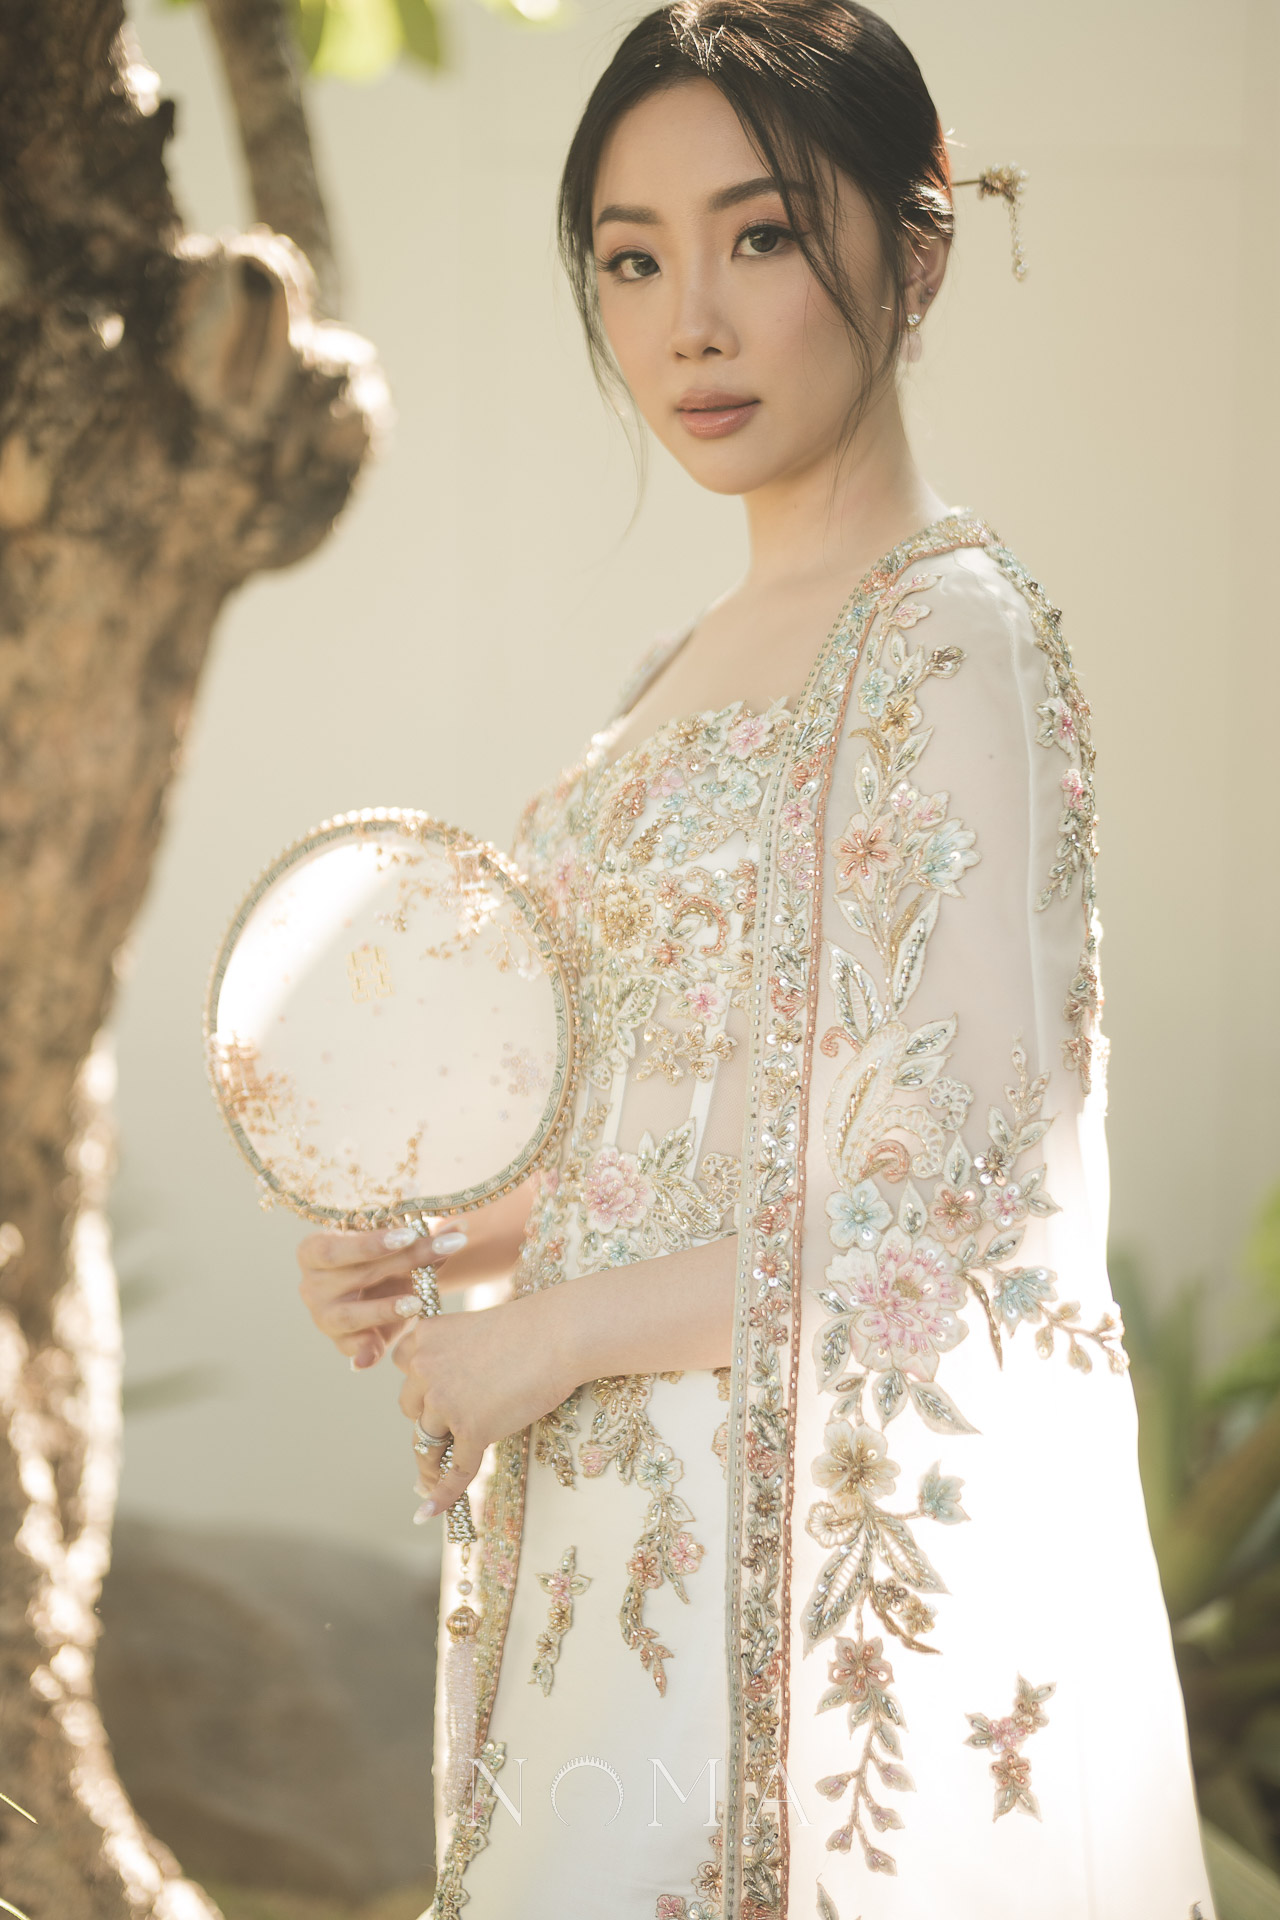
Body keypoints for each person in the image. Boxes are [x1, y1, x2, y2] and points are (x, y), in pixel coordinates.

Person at [297, 4, 1213, 1915]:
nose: (689, 324)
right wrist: (444, 1243)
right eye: (632, 260)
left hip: (781, 1585)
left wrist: (547, 1336)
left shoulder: (948, 639)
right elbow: (671, 1142)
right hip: (605, 1569)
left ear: (918, 243)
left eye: (762, 236)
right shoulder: (664, 685)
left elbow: (961, 1213)